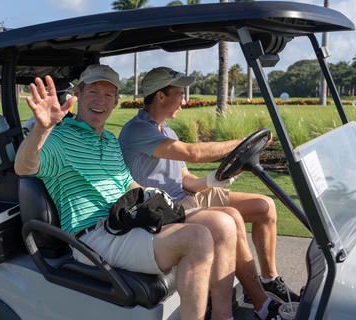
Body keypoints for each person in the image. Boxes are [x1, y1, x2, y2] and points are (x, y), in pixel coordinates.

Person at [14, 64, 268, 320]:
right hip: (93, 236)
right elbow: (24, 166)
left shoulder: (110, 141)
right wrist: (42, 128)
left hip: (124, 222)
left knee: (223, 223)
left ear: (115, 102)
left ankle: (223, 316)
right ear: (78, 94)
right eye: (92, 91)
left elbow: (129, 184)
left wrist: (156, 199)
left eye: (108, 94)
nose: (100, 100)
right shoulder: (59, 139)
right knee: (197, 239)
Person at [118, 67, 298, 319]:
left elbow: (186, 180)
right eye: (180, 94)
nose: (185, 100)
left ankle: (269, 279)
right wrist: (240, 142)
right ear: (160, 96)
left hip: (185, 196)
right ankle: (263, 306)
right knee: (231, 219)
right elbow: (193, 153)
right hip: (165, 208)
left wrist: (213, 180)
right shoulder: (137, 130)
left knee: (264, 206)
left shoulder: (167, 130)